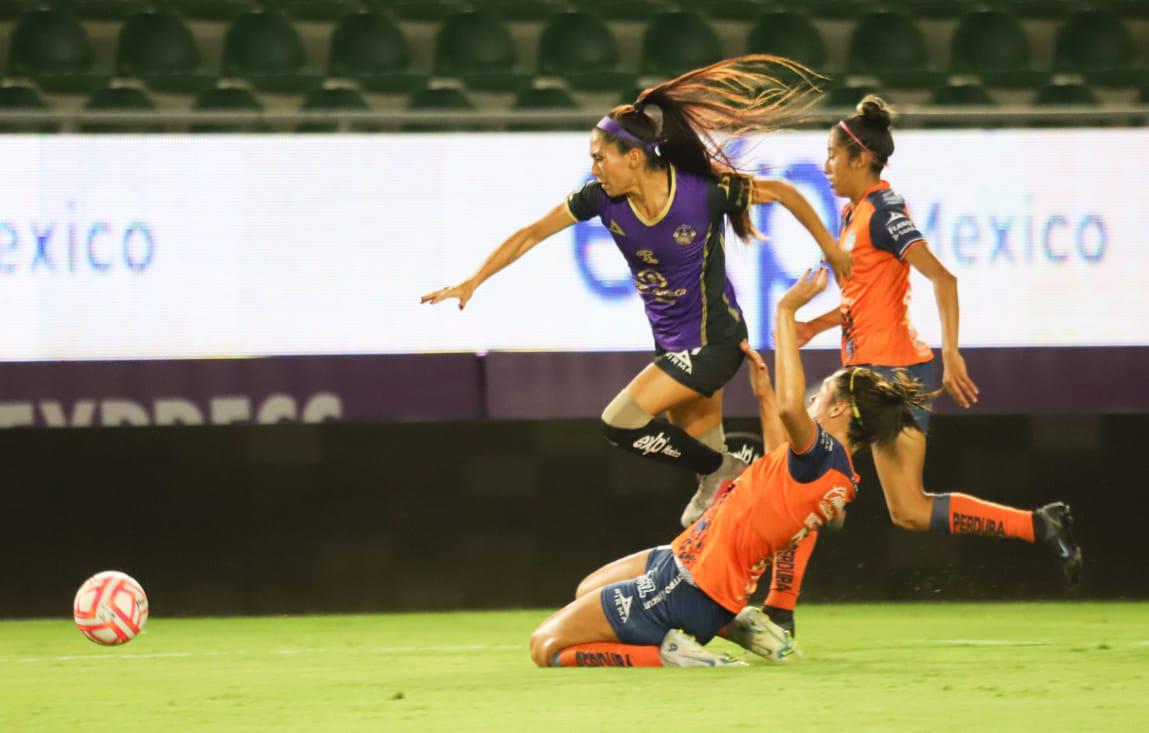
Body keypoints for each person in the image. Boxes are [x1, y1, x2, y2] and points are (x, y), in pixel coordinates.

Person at [421, 55, 852, 526]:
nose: (594, 167)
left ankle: (729, 467)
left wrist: (831, 248)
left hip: (714, 344)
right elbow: (531, 233)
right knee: (707, 518)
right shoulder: (600, 199)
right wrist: (473, 281)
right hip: (672, 348)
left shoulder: (702, 193)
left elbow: (786, 193)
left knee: (619, 422)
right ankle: (751, 563)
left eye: (599, 156)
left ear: (632, 158)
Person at [753, 96, 1083, 640]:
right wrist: (822, 324)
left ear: (860, 159)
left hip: (880, 376)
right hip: (897, 374)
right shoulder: (854, 213)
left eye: (833, 155)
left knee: (802, 473)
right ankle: (1039, 524)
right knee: (908, 510)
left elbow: (943, 279)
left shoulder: (883, 212)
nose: (827, 165)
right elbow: (873, 296)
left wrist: (953, 352)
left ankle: (779, 612)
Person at [528, 268, 930, 667]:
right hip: (695, 568)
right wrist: (764, 395)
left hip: (687, 585)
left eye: (821, 396)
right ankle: (737, 625)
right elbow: (778, 462)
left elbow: (792, 410)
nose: (811, 403)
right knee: (588, 589)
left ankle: (667, 653)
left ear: (840, 408)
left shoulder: (822, 452)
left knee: (545, 646)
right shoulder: (838, 476)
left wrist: (786, 314)